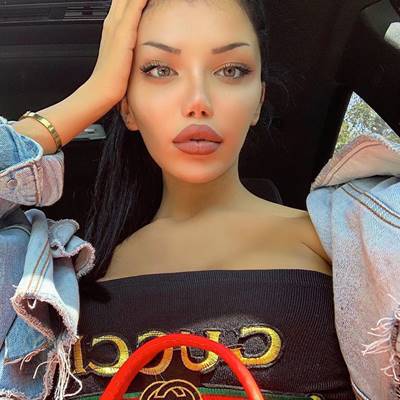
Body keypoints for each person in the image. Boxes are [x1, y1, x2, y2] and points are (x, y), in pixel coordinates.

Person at [0, 0, 399, 399]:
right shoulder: (58, 273)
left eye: (231, 70)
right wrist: (95, 91)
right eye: (160, 70)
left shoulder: (349, 236)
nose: (198, 101)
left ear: (258, 100)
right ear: (127, 106)